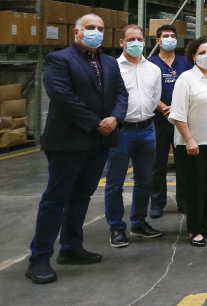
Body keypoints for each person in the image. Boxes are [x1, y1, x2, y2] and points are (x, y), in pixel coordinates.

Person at [27, 14, 128, 284]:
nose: (96, 32)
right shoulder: (59, 59)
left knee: (81, 196)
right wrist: (96, 123)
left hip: (99, 142)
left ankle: (71, 248)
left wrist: (116, 119)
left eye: (100, 28)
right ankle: (38, 258)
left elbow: (121, 93)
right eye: (90, 28)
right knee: (56, 199)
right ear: (76, 32)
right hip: (68, 141)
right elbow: (63, 96)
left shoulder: (108, 62)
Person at [169, 38, 207, 247]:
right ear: (193, 56)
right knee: (195, 187)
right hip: (192, 143)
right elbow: (177, 114)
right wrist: (189, 139)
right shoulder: (185, 79)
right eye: (201, 52)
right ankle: (194, 229)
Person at [106, 26, 163, 248]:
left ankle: (139, 223)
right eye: (131, 39)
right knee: (115, 182)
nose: (136, 42)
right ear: (122, 42)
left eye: (140, 39)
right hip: (121, 131)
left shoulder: (153, 69)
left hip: (147, 129)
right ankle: (116, 227)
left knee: (145, 180)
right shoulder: (113, 68)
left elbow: (155, 97)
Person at [148, 24, 191, 218]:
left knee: (183, 162)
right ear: (158, 41)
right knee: (158, 163)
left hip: (182, 119)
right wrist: (164, 107)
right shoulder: (150, 64)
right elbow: (146, 91)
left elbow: (192, 85)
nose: (170, 38)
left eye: (173, 35)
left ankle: (183, 201)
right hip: (159, 119)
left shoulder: (185, 62)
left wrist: (177, 108)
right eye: (166, 36)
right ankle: (157, 202)